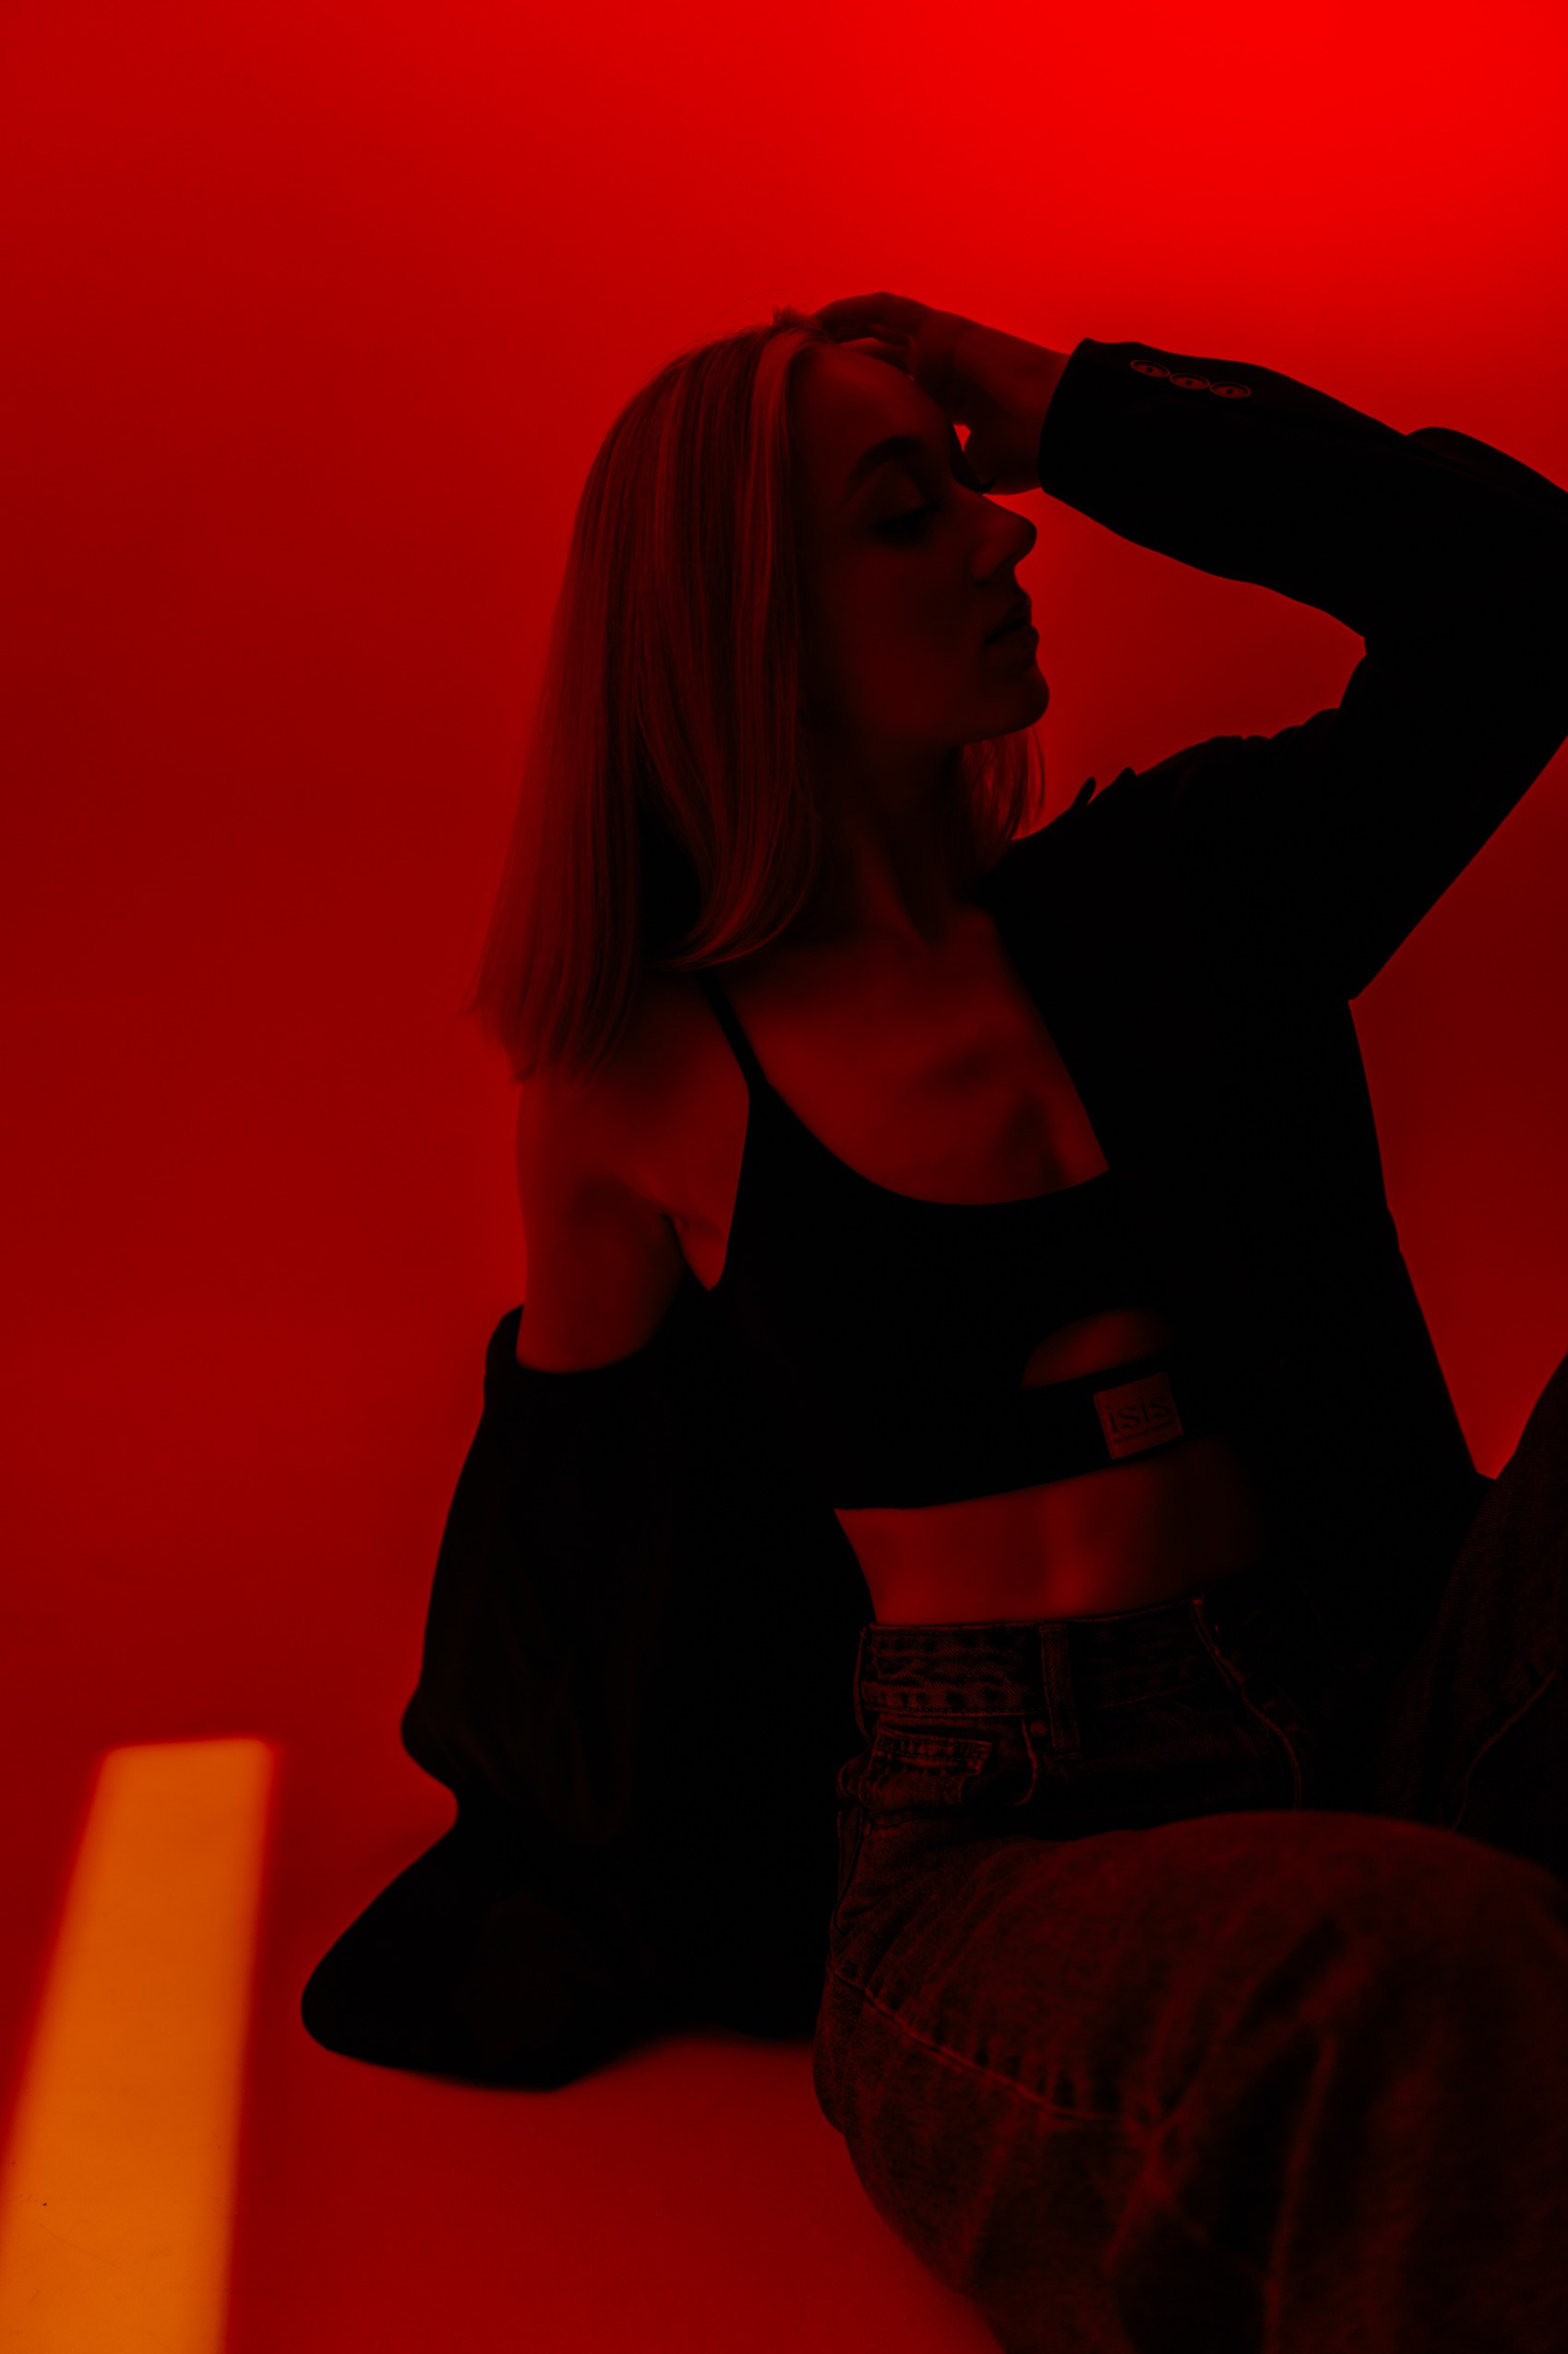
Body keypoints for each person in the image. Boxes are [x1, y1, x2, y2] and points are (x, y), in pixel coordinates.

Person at [305, 291, 1568, 2350]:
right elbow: (576, 1595)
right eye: (907, 512)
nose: (1003, 533)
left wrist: (1061, 405)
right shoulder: (641, 1071)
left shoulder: (1185, 892)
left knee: (1424, 1910)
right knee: (1406, 1958)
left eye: (970, 488)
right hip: (1002, 1856)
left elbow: (1524, 594)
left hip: (1376, 1698)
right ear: (747, 626)